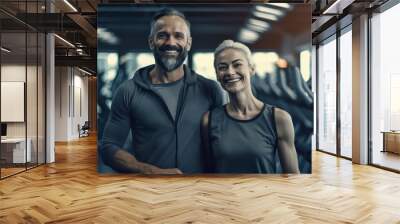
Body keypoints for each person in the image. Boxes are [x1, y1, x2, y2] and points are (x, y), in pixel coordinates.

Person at [100, 8, 224, 174]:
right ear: (151, 41)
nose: (170, 42)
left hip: (199, 192)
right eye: (162, 35)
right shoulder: (128, 91)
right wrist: (150, 171)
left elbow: (222, 144)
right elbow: (108, 147)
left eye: (178, 36)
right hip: (151, 195)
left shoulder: (210, 89)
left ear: (189, 42)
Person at [201, 40, 300, 174]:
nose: (230, 72)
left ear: (251, 68)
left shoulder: (278, 118)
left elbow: (293, 177)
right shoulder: (209, 120)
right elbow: (208, 173)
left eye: (237, 65)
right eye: (222, 67)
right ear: (217, 75)